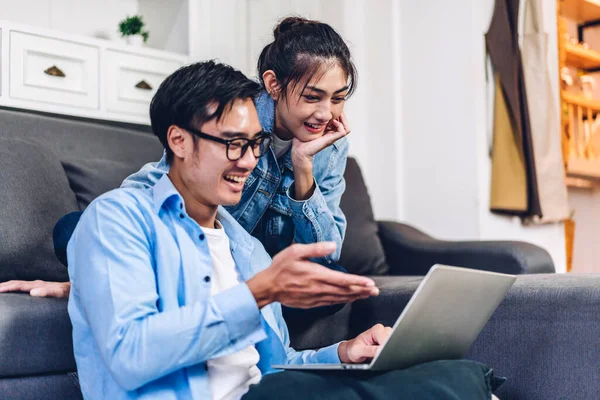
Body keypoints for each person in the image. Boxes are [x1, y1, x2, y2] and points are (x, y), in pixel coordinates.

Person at [67, 60, 499, 400]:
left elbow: (278, 365)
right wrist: (259, 292)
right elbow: (129, 355)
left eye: (255, 145)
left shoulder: (245, 246)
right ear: (179, 141)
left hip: (263, 392)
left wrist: (344, 352)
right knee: (448, 386)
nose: (249, 161)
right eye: (234, 144)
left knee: (450, 374)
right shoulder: (117, 218)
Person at [0, 17, 354, 313]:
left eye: (338, 99)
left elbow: (326, 252)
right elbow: (151, 187)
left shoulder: (330, 146)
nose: (326, 114)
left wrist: (303, 168)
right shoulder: (233, 112)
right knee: (77, 228)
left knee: (335, 283)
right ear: (273, 84)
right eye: (313, 97)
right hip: (195, 254)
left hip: (259, 267)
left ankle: (172, 291)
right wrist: (100, 262)